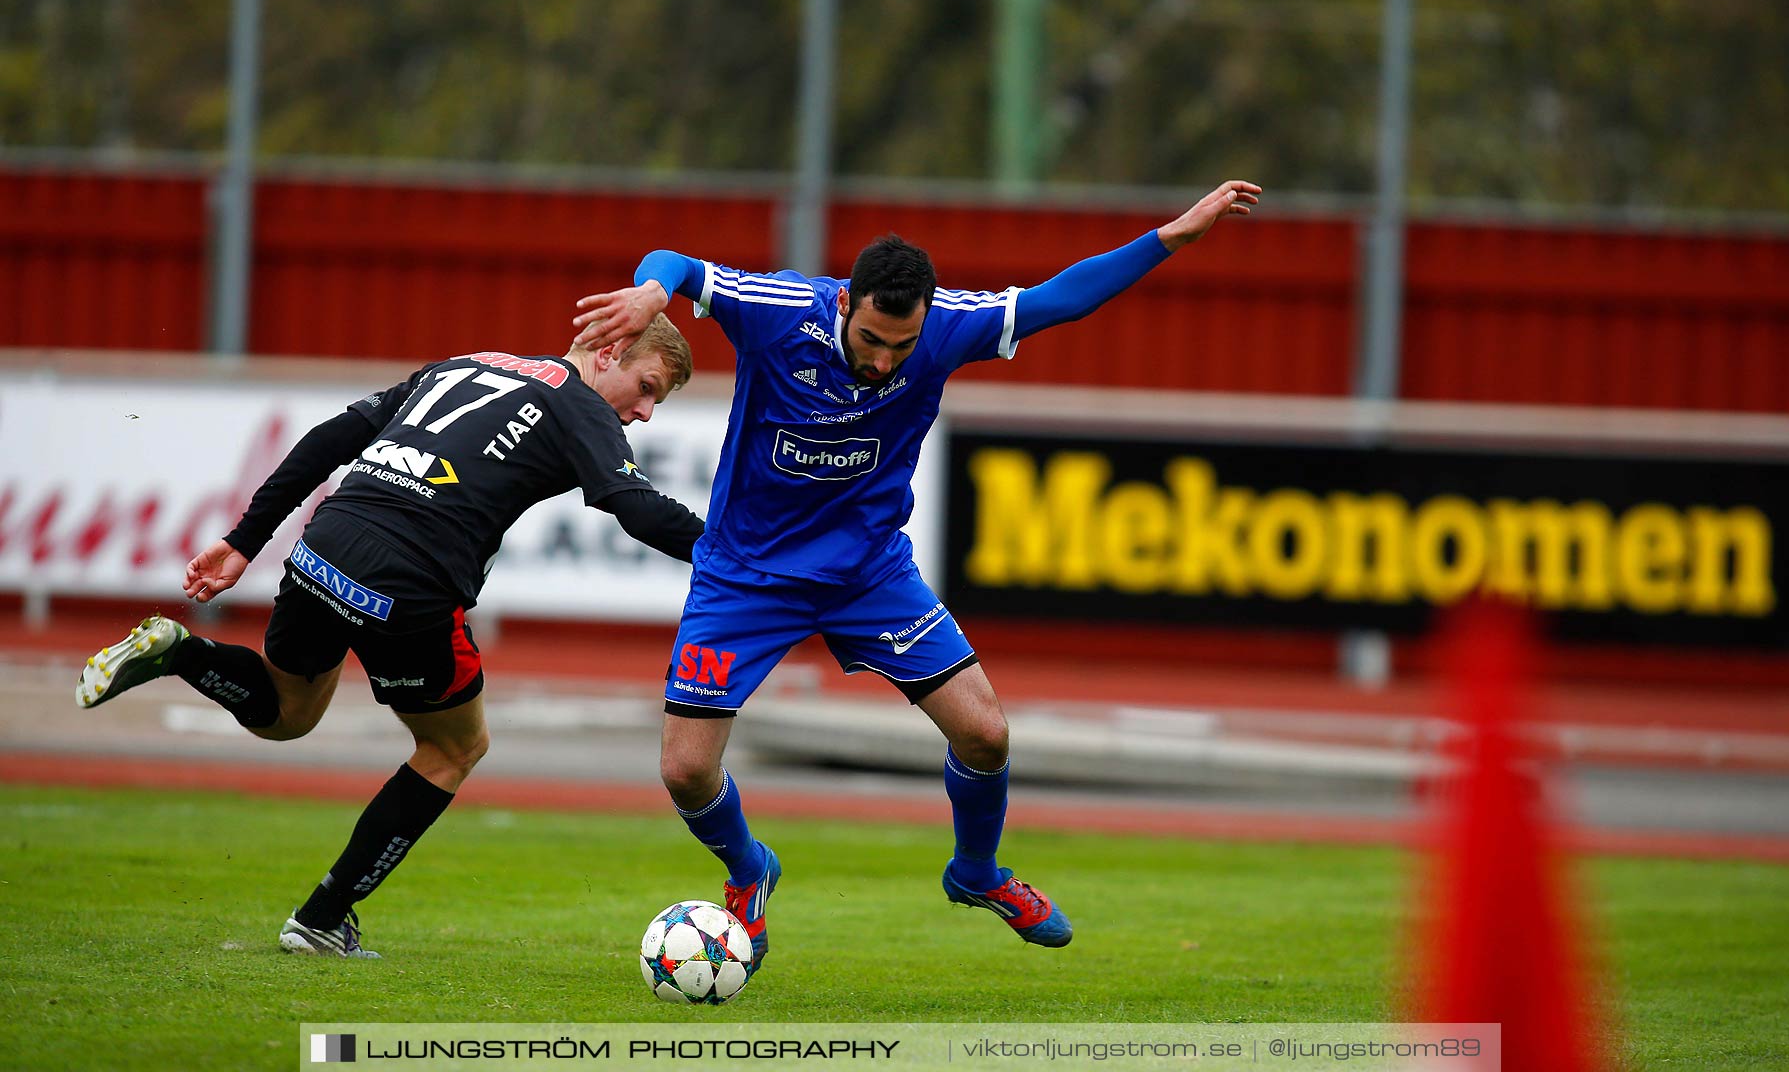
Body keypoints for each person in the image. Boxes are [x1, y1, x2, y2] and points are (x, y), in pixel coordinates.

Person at [571, 180, 1262, 973]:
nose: (884, 358)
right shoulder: (780, 310)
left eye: (901, 345)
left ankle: (976, 872)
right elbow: (683, 265)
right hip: (747, 575)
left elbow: (1062, 300)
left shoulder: (947, 329)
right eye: (871, 338)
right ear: (845, 306)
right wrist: (654, 288)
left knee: (986, 731)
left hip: (869, 574)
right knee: (685, 769)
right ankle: (749, 869)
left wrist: (1171, 236)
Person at [76, 317, 706, 959]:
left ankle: (181, 651)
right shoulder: (578, 402)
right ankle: (322, 918)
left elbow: (330, 440)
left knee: (287, 714)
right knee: (454, 747)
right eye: (648, 386)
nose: (647, 412)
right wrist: (740, 560)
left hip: (325, 546)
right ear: (609, 353)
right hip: (411, 581)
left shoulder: (469, 362)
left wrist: (244, 541)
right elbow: (636, 505)